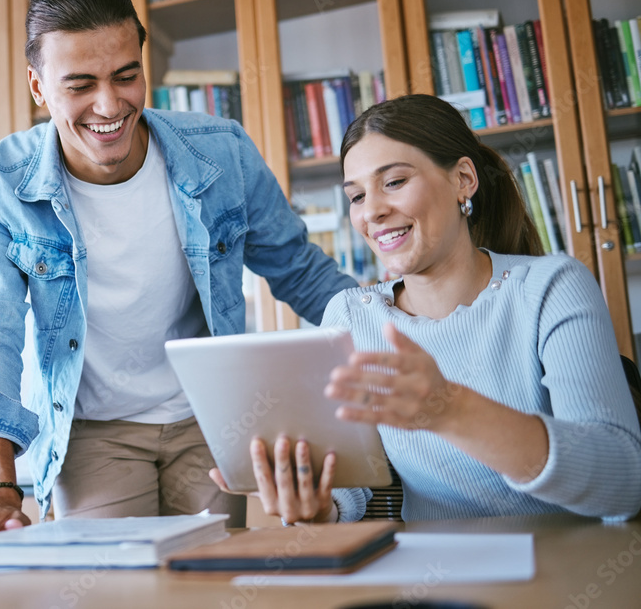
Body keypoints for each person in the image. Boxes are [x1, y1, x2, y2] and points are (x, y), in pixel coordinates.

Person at [0, 0, 357, 553]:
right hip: (93, 430)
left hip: (208, 419)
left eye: (126, 75)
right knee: (112, 586)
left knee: (210, 579)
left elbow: (300, 271)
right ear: (39, 88)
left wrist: (406, 340)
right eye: (80, 84)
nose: (110, 106)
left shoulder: (221, 151)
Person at [211, 93, 641, 525]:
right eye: (357, 196)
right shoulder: (351, 316)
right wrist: (320, 504)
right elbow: (353, 478)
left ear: (463, 180)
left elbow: (623, 481)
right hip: (432, 576)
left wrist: (452, 409)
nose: (373, 212)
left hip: (567, 571)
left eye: (394, 182)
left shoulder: (552, 287)